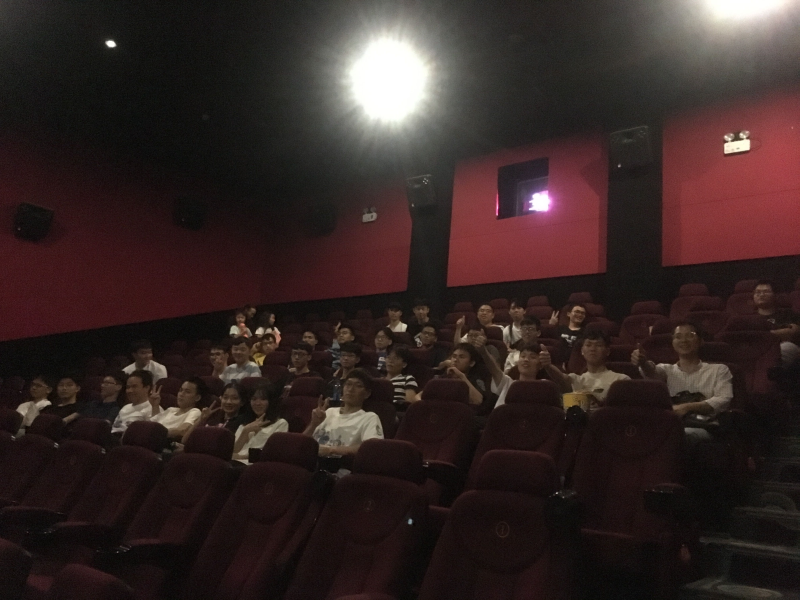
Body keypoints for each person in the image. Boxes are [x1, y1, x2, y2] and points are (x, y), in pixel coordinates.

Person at [632, 321, 733, 441]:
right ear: (673, 343)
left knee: (678, 435)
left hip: (704, 425)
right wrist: (643, 362)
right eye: (678, 336)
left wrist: (686, 407)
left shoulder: (719, 369)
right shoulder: (667, 370)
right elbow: (651, 372)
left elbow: (723, 399)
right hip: (672, 425)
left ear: (701, 341)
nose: (684, 340)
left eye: (690, 335)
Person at [541, 330, 630, 408]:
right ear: (582, 351)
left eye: (598, 345)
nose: (593, 349)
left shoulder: (620, 380)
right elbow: (561, 378)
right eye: (588, 345)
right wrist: (548, 365)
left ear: (607, 351)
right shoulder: (577, 379)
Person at [304, 369, 383, 457]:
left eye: (358, 386)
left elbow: (372, 448)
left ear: (367, 394)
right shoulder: (329, 412)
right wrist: (313, 424)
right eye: (348, 384)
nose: (351, 389)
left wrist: (331, 450)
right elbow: (302, 443)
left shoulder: (369, 418)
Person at [478, 338, 544, 408]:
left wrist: (548, 366)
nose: (526, 359)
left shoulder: (543, 387)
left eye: (532, 357)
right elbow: (494, 369)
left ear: (540, 365)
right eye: (523, 356)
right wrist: (483, 351)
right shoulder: (508, 383)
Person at [232, 383, 288, 463]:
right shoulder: (245, 423)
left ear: (271, 401)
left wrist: (241, 457)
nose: (257, 403)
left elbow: (273, 453)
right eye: (254, 399)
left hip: (256, 465)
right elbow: (233, 451)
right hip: (234, 463)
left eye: (263, 399)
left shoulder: (280, 423)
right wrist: (245, 431)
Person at [419, 343, 487, 406]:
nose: (455, 360)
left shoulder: (476, 380)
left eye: (461, 357)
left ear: (471, 363)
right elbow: (418, 397)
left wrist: (461, 376)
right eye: (454, 356)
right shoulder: (442, 378)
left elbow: (478, 401)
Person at [181, 382, 251, 443]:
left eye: (234, 398)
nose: (228, 402)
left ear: (242, 402)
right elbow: (184, 440)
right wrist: (201, 420)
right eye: (225, 397)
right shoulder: (212, 416)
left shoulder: (243, 424)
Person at [753, 280, 800, 367]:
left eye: (766, 292)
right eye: (757, 292)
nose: (761, 295)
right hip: (755, 349)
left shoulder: (787, 313)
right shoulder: (748, 317)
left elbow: (793, 331)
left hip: (781, 348)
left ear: (775, 295)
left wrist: (762, 335)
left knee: (787, 347)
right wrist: (779, 333)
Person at [112, 370, 156, 435]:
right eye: (128, 387)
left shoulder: (153, 409)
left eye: (134, 386)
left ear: (147, 388)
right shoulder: (125, 407)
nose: (129, 390)